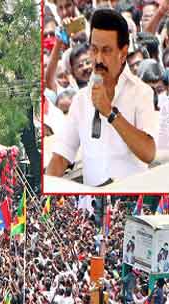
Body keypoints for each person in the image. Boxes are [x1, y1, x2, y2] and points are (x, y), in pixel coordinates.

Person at [46, 8, 160, 186]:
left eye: (106, 50)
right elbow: (61, 156)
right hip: (93, 203)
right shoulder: (81, 100)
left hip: (129, 200)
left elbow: (149, 153)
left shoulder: (142, 93)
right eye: (94, 49)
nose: (98, 58)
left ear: (123, 53)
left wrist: (110, 113)